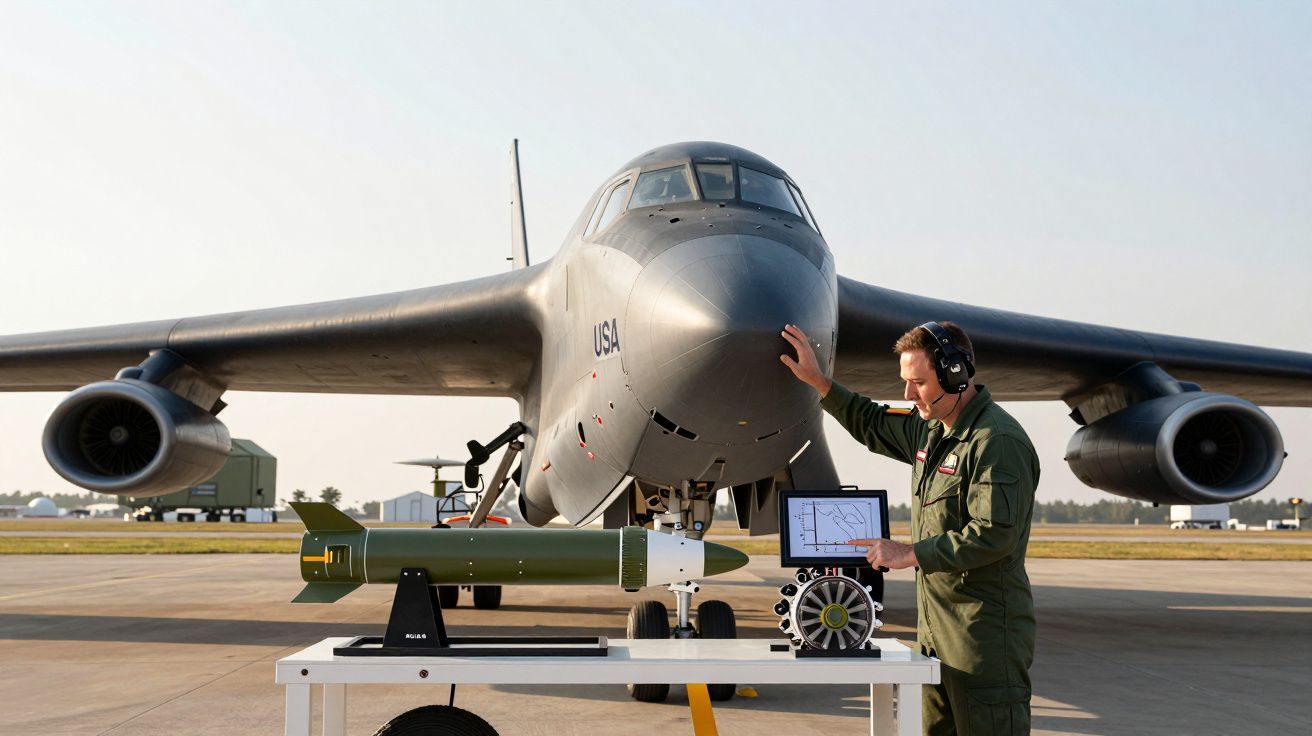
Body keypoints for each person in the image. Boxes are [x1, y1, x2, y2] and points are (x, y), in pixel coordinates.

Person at [779, 321, 1038, 736]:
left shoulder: (996, 442)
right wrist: (819, 382)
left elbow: (993, 534)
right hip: (936, 630)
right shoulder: (932, 429)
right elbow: (872, 422)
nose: (907, 394)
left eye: (918, 382)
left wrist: (909, 553)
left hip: (983, 638)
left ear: (955, 375)